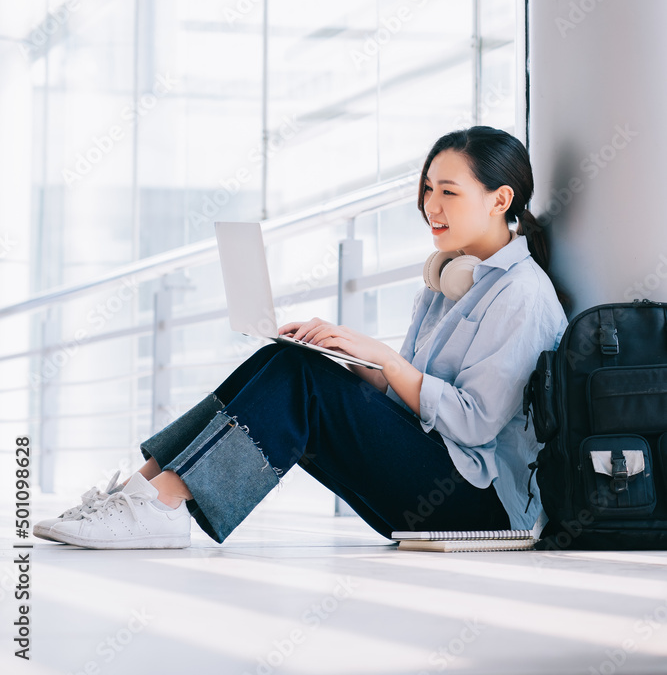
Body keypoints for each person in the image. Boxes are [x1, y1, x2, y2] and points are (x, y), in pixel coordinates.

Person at [34, 126, 568, 550]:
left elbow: (473, 423)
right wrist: (352, 359)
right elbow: (413, 404)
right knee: (284, 359)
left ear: (501, 199)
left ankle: (166, 508)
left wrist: (382, 355)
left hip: (484, 506)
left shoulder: (522, 294)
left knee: (300, 379)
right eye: (428, 188)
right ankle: (140, 493)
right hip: (436, 481)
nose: (431, 205)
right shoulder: (447, 282)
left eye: (448, 191)